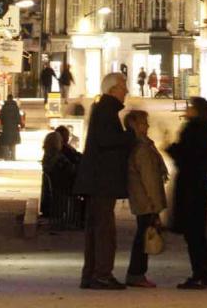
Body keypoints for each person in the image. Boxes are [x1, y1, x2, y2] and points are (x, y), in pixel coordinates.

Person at [74, 72, 135, 291]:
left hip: (96, 181)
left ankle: (91, 274)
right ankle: (101, 274)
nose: (126, 90)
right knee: (104, 229)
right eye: (123, 86)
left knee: (95, 228)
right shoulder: (107, 110)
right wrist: (131, 136)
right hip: (102, 181)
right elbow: (108, 140)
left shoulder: (101, 108)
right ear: (112, 90)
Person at [167, 97, 207, 290]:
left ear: (197, 111)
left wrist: (171, 148)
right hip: (200, 186)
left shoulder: (192, 131)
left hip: (191, 188)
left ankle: (200, 274)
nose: (187, 110)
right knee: (198, 233)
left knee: (193, 233)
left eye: (190, 107)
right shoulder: (206, 131)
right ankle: (204, 273)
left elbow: (184, 156)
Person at [124, 110, 168, 289]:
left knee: (143, 236)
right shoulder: (142, 148)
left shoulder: (142, 145)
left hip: (143, 199)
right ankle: (136, 274)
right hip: (145, 201)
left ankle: (136, 273)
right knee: (144, 237)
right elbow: (149, 179)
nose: (147, 126)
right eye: (143, 123)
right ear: (135, 125)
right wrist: (155, 205)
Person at [41, 130, 76, 218]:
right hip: (63, 186)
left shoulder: (47, 157)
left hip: (56, 186)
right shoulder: (59, 158)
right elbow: (71, 170)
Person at [0, 94, 24, 161]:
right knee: (13, 143)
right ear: (12, 99)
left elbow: (1, 117)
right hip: (14, 127)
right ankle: (13, 157)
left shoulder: (4, 106)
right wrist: (20, 124)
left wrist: (2, 123)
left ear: (7, 98)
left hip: (6, 127)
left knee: (6, 142)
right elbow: (18, 117)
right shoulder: (15, 107)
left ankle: (6, 157)